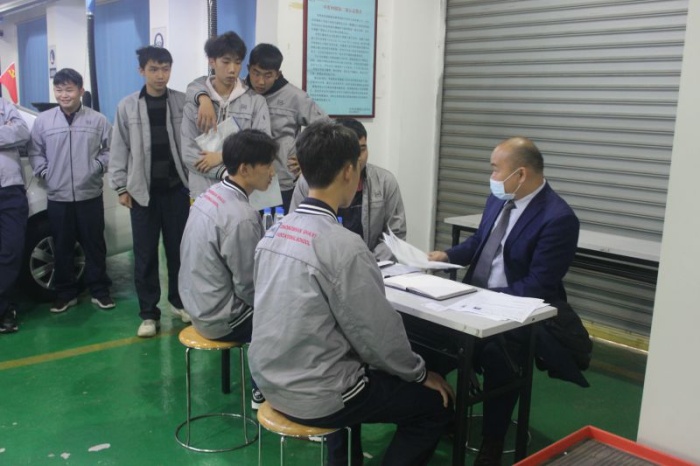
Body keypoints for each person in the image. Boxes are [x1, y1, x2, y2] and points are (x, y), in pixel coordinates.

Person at [249, 120, 454, 466]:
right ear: (349, 171)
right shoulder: (344, 246)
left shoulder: (273, 233)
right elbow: (378, 335)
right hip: (318, 395)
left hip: (269, 381)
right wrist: (420, 373)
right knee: (434, 406)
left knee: (357, 369)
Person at [428, 136, 581, 466]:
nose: (492, 177)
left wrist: (483, 300)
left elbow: (538, 285)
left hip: (517, 311)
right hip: (474, 300)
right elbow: (480, 243)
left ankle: (492, 441)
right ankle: (440, 414)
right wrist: (446, 256)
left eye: (496, 170)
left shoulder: (558, 218)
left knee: (501, 357)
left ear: (521, 174)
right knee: (427, 339)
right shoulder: (500, 199)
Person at [179, 129, 277, 407]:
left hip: (196, 303)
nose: (272, 172)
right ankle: (265, 393)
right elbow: (249, 286)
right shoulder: (241, 216)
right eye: (267, 165)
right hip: (219, 318)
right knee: (288, 317)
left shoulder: (211, 194)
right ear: (245, 169)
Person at [109, 46, 191, 338]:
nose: (160, 75)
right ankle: (148, 314)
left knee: (179, 251)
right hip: (142, 194)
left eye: (165, 69)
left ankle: (180, 302)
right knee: (144, 256)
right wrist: (120, 186)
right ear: (141, 70)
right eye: (154, 69)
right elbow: (118, 149)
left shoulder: (182, 102)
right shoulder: (127, 106)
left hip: (176, 191)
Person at [195, 43, 327, 212]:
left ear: (277, 74)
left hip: (280, 184)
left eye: (268, 75)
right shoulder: (239, 91)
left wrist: (308, 160)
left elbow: (326, 128)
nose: (260, 81)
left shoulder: (295, 97)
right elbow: (201, 84)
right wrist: (203, 97)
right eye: (256, 73)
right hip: (242, 182)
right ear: (248, 68)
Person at [28, 68, 114, 313]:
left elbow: (111, 150)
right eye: (59, 90)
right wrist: (46, 173)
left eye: (69, 89)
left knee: (94, 245)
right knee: (62, 246)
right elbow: (35, 152)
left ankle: (100, 291)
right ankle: (65, 294)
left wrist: (97, 166)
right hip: (58, 196)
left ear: (81, 91)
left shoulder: (97, 120)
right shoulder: (44, 122)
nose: (64, 95)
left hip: (89, 195)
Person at [290, 118, 406, 260]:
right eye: (353, 151)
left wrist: (367, 261)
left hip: (373, 264)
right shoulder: (309, 181)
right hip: (323, 264)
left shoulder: (385, 182)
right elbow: (297, 229)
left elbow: (396, 234)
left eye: (362, 149)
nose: (359, 158)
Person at [181, 31, 271, 199]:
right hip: (203, 193)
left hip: (243, 193)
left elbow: (262, 147)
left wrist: (221, 157)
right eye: (226, 62)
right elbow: (188, 153)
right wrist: (225, 173)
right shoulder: (195, 102)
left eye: (237, 62)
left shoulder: (255, 101)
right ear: (212, 61)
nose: (232, 69)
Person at [0, 97, 30, 334]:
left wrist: (11, 130)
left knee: (11, 249)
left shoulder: (3, 104)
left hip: (10, 189)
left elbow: (21, 131)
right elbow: (12, 132)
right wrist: (5, 131)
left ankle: (4, 307)